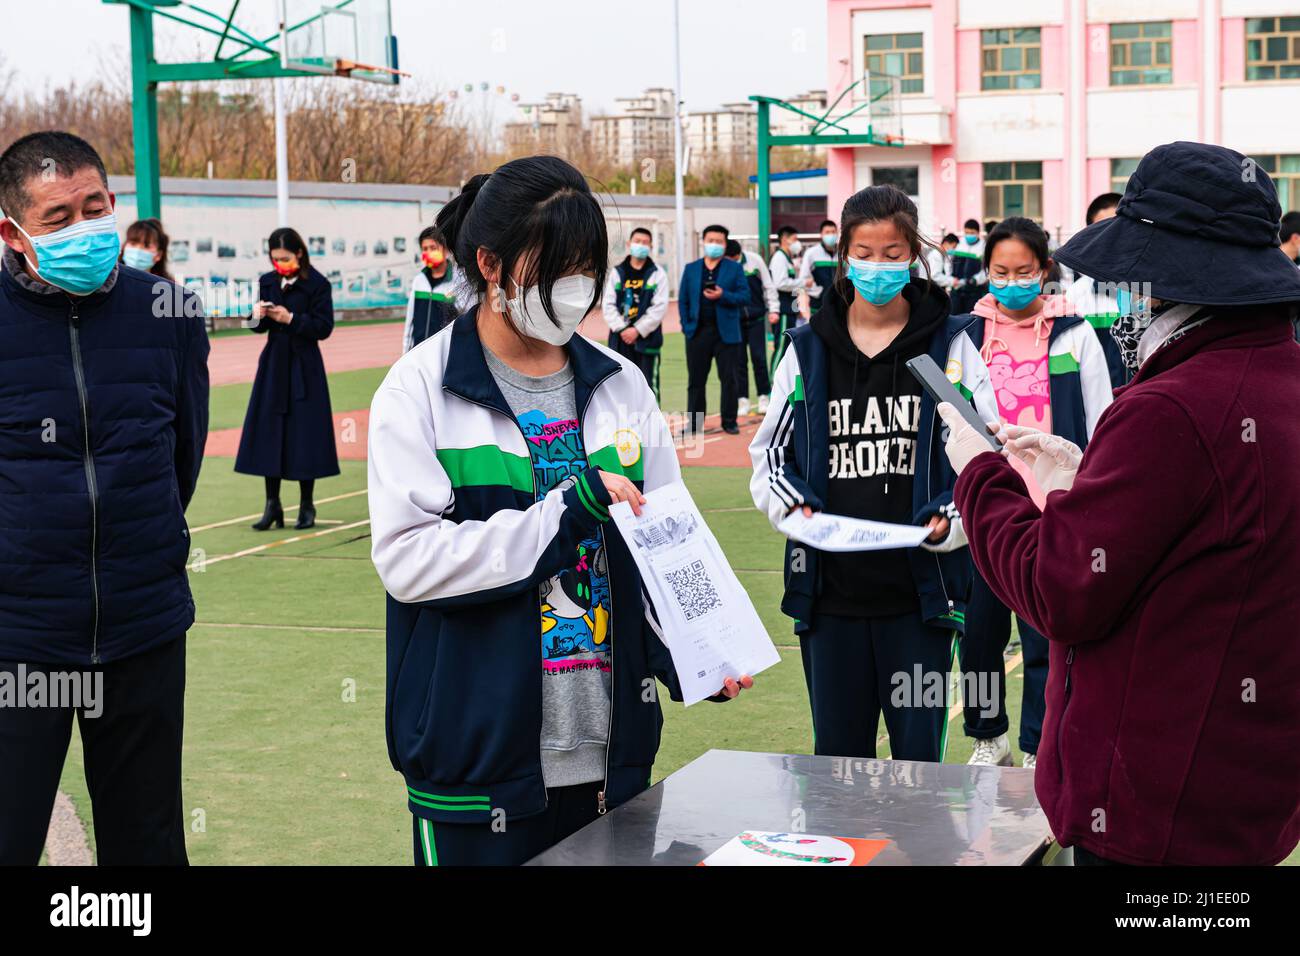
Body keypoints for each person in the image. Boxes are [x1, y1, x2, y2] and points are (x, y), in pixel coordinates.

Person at [366, 155, 752, 867]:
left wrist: (697, 652)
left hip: (612, 759)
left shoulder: (621, 383)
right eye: (555, 267)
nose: (576, 288)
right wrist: (565, 510)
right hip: (478, 768)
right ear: (490, 263)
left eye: (587, 268)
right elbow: (409, 562)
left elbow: (664, 537)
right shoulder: (419, 390)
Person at [939, 141, 1300, 866]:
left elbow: (1061, 590)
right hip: (1247, 787)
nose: (1126, 295)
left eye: (1136, 275)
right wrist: (1083, 481)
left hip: (1153, 806)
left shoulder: (1175, 405)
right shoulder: (1275, 377)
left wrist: (982, 475)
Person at [0, 130, 209, 865]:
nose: (86, 228)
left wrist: (137, 543)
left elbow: (181, 454)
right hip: (21, 640)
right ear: (14, 233)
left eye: (96, 208)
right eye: (59, 218)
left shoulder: (167, 313)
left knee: (147, 842)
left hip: (144, 626)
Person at [750, 184, 998, 764]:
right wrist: (796, 510)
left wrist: (950, 520)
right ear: (843, 254)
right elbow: (771, 457)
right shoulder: (808, 351)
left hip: (921, 599)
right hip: (829, 598)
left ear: (914, 254)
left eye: (893, 254)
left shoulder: (949, 347)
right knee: (837, 767)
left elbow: (981, 459)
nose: (878, 266)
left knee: (919, 772)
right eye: (864, 252)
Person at [953, 217, 1112, 770]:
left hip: (1055, 508)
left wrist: (1086, 490)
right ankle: (987, 736)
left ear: (1044, 270)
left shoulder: (1076, 331)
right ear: (986, 271)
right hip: (991, 506)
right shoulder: (966, 336)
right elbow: (956, 416)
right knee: (981, 635)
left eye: (1024, 271)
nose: (1012, 281)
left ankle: (1038, 745)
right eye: (1000, 271)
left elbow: (1101, 418)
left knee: (1046, 637)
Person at [235, 226, 340, 530]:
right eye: (274, 258)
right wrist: (256, 315)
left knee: (305, 434)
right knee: (271, 432)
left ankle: (307, 505)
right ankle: (272, 504)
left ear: (299, 254)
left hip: (305, 366)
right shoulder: (267, 281)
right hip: (274, 366)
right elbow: (257, 328)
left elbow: (324, 327)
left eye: (284, 257)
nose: (279, 263)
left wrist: (291, 319)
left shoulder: (318, 284)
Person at [677, 224, 749, 435]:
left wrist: (723, 295)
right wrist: (686, 324)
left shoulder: (734, 268)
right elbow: (683, 300)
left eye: (719, 242)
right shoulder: (691, 269)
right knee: (696, 381)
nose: (714, 245)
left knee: (729, 379)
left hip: (726, 333)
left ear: (725, 245)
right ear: (703, 241)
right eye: (711, 240)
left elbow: (745, 297)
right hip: (697, 332)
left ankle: (729, 421)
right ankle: (694, 424)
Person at [1065, 192, 1128, 387]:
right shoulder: (1075, 295)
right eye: (1102, 229)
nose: (1111, 236)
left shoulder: (1156, 291)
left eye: (1119, 226)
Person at [601, 226, 668, 401]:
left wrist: (637, 330)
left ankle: (652, 425)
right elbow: (607, 304)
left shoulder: (657, 273)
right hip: (620, 339)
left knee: (648, 387)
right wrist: (622, 329)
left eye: (645, 243)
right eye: (638, 242)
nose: (641, 245)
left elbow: (659, 307)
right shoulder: (618, 272)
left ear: (651, 247)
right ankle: (624, 426)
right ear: (629, 244)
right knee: (620, 385)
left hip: (647, 340)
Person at [726, 237, 778, 416]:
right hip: (735, 321)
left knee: (759, 358)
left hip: (756, 319)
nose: (732, 263)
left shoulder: (755, 261)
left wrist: (774, 309)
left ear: (739, 254)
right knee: (739, 362)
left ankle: (764, 396)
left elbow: (768, 286)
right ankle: (743, 400)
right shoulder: (724, 267)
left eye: (734, 259)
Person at [403, 224, 475, 352]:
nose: (429, 253)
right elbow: (410, 321)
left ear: (445, 250)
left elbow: (467, 319)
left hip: (446, 352)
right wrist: (405, 352)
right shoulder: (419, 281)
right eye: (425, 249)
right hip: (418, 352)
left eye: (433, 248)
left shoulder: (458, 281)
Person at [768, 224, 804, 372]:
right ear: (784, 239)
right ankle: (773, 385)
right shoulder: (779, 258)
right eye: (794, 239)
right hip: (783, 310)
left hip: (790, 310)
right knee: (781, 347)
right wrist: (803, 282)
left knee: (789, 348)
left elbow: (794, 289)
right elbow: (780, 283)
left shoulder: (789, 259)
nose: (797, 243)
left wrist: (797, 309)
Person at [797, 218, 839, 316]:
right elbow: (803, 278)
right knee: (817, 331)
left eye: (833, 232)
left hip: (839, 304)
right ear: (821, 234)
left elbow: (848, 276)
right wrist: (818, 292)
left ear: (837, 233)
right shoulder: (811, 253)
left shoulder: (843, 254)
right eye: (827, 232)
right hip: (818, 305)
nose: (831, 235)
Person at [949, 218, 986, 314]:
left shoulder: (983, 247)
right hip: (957, 290)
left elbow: (987, 269)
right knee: (954, 317)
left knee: (971, 318)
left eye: (972, 233)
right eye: (967, 232)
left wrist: (975, 280)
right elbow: (949, 262)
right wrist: (951, 279)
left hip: (974, 291)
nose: (969, 235)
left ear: (978, 232)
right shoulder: (959, 244)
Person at [120, 216, 173, 280]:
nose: (138, 250)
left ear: (158, 255)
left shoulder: (167, 287)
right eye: (133, 244)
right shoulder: (109, 281)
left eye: (146, 246)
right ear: (123, 246)